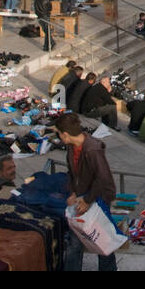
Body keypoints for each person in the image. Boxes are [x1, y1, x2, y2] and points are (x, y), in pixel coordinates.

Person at [54, 115, 118, 271]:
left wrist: (88, 200)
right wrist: (73, 193)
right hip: (82, 197)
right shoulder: (72, 147)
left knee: (100, 239)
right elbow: (72, 172)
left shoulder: (92, 149)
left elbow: (103, 178)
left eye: (59, 134)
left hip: (98, 198)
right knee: (76, 241)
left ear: (66, 134)